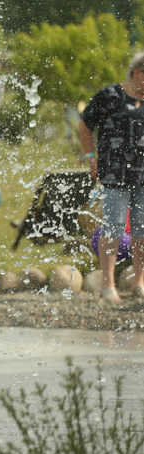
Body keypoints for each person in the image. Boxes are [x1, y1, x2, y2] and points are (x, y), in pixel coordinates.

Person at [79, 53, 144, 303]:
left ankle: (139, 282)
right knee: (114, 226)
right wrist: (89, 156)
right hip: (115, 173)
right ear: (138, 72)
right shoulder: (110, 96)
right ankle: (108, 285)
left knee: (142, 229)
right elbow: (85, 125)